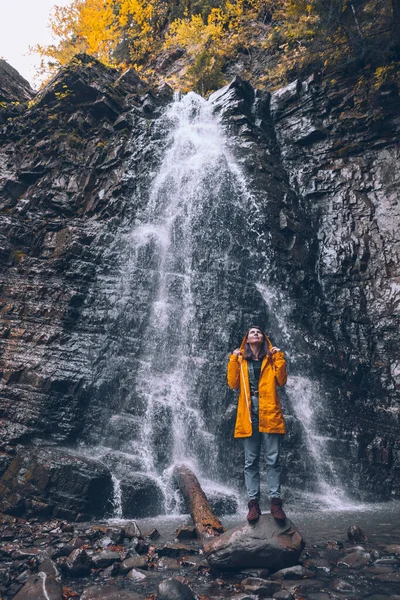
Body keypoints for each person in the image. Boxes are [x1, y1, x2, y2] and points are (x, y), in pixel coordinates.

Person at [227, 325, 287, 523]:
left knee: (272, 460)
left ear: (264, 338)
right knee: (250, 462)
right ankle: (253, 505)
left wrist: (279, 358)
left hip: (269, 412)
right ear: (246, 339)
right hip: (248, 415)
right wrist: (233, 360)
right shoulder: (241, 360)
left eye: (259, 332)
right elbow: (233, 383)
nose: (256, 334)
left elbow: (282, 380)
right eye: (252, 332)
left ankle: (275, 503)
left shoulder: (271, 359)